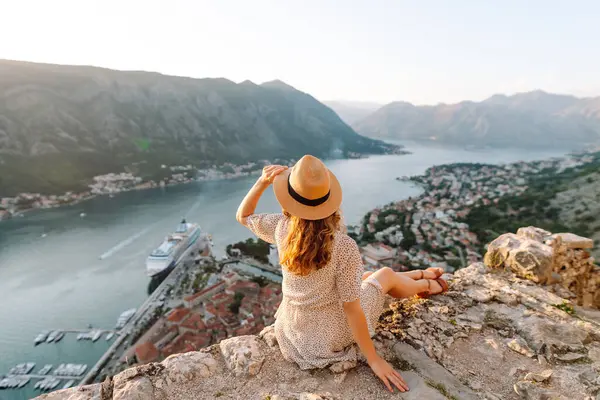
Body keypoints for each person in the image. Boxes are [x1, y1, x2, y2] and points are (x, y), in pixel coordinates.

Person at [236, 155, 448, 393]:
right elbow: (351, 308)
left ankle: (419, 275)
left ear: (290, 200)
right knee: (385, 275)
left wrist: (262, 182)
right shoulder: (342, 246)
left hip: (294, 331)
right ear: (329, 201)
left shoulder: (281, 227)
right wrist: (374, 359)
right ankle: (428, 285)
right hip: (328, 336)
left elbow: (243, 216)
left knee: (367, 277)